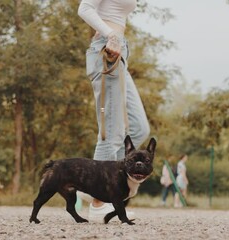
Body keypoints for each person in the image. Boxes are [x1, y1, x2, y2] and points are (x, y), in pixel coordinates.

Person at [77, 0, 150, 222]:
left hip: (119, 51)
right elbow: (85, 8)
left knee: (138, 128)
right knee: (112, 132)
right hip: (106, 49)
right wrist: (111, 35)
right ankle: (99, 202)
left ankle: (91, 189)